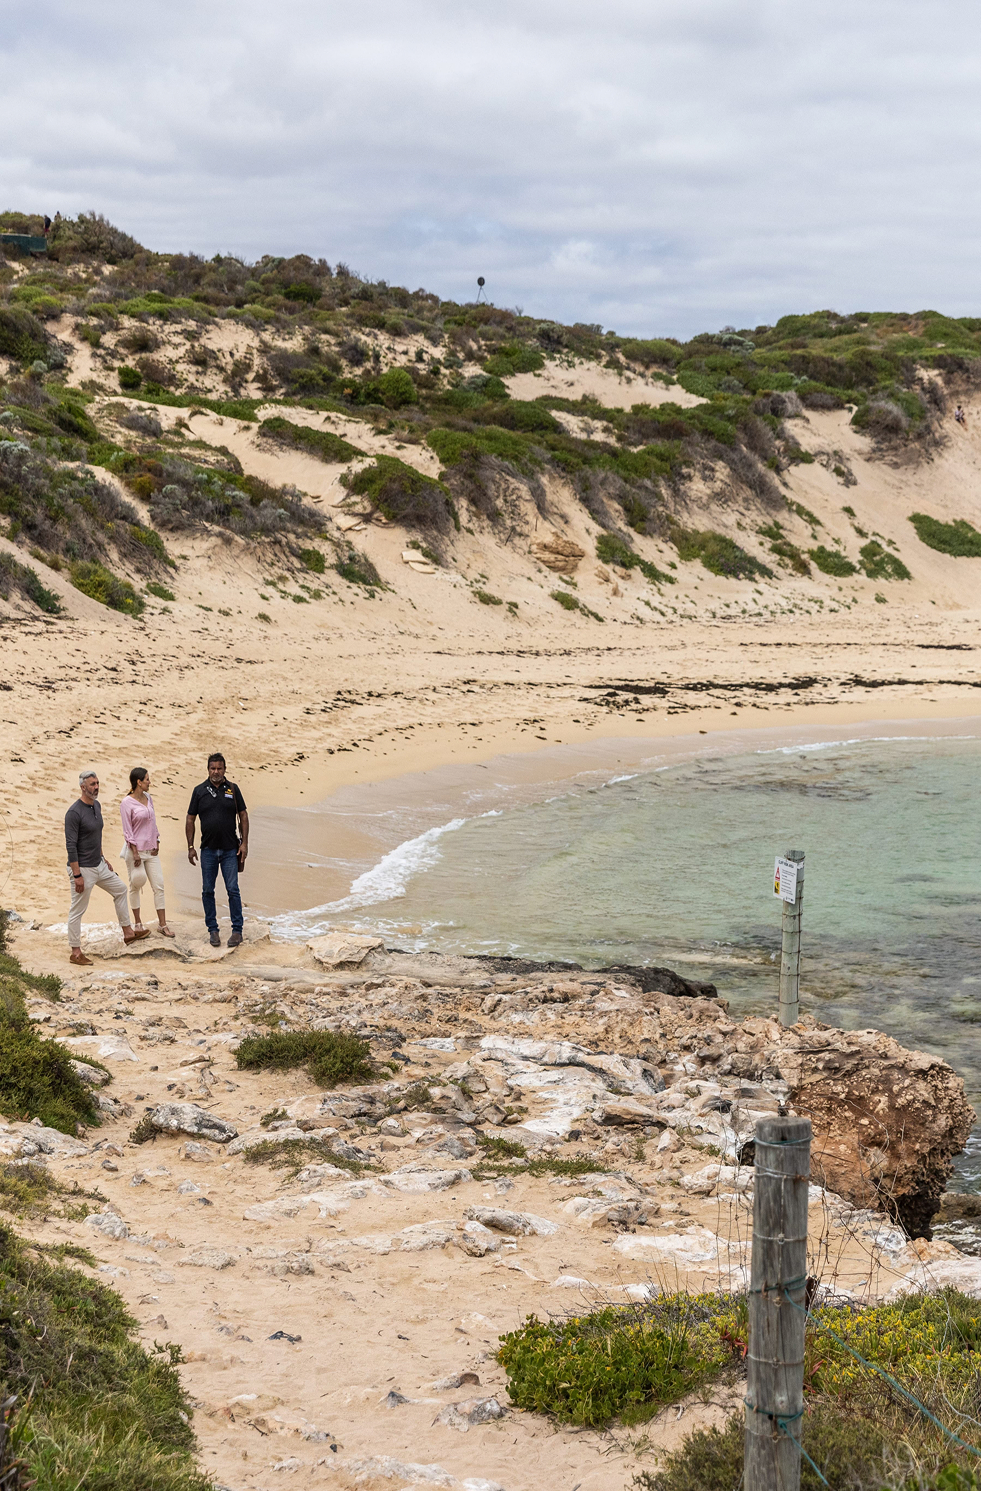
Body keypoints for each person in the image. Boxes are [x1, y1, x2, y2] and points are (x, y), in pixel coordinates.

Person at [65, 770, 150, 965]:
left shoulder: (97, 806)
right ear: (82, 787)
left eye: (97, 783)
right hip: (83, 869)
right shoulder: (73, 813)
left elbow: (95, 835)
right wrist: (77, 874)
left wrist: (103, 857)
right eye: (92, 784)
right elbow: (71, 846)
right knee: (77, 910)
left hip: (99, 864)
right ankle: (75, 952)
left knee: (120, 889)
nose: (96, 787)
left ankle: (128, 932)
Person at [186, 754, 249, 948]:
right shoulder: (199, 791)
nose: (216, 772)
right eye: (213, 768)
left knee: (233, 890)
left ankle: (237, 931)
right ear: (208, 769)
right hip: (208, 850)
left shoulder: (233, 789)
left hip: (231, 849)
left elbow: (243, 816)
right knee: (207, 890)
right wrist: (190, 846)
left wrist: (244, 843)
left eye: (219, 768)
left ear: (225, 769)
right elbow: (190, 819)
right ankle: (212, 930)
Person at [120, 767, 174, 938]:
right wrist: (135, 852)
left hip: (151, 850)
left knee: (159, 885)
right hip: (135, 851)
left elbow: (152, 821)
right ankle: (137, 924)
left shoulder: (149, 798)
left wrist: (157, 839)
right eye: (147, 779)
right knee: (136, 884)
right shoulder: (126, 803)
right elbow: (127, 830)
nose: (149, 782)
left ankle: (163, 925)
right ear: (139, 782)